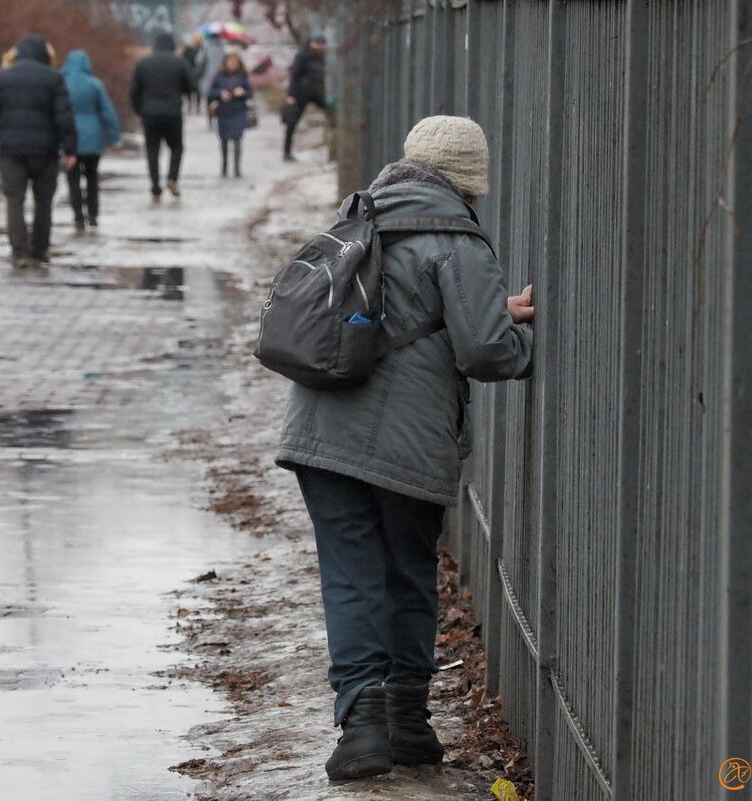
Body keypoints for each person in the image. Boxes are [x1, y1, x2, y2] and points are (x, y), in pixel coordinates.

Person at [274, 116, 535, 781]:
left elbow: (398, 305)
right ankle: (409, 722)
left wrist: (481, 310)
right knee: (406, 570)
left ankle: (362, 725)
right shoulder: (458, 240)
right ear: (469, 181)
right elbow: (485, 349)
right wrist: (518, 334)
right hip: (407, 442)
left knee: (350, 573)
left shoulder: (355, 220)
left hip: (319, 429)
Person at [0, 35, 77, 268]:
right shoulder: (53, 78)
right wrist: (71, 149)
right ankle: (40, 250)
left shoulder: (1, 78)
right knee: (43, 201)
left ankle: (20, 251)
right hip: (45, 151)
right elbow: (64, 116)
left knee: (14, 200)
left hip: (11, 151)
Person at [130, 33, 196, 201]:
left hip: (149, 113)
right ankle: (172, 178)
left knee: (152, 150)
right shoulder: (179, 62)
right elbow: (191, 86)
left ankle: (154, 185)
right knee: (176, 147)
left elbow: (134, 91)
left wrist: (140, 110)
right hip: (172, 112)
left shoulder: (143, 64)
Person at [60, 49, 122, 232]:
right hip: (92, 138)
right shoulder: (95, 85)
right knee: (92, 178)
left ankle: (78, 217)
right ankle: (93, 215)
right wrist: (115, 136)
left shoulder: (61, 84)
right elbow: (106, 111)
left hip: (69, 138)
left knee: (73, 180)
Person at [283, 34, 332, 162]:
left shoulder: (321, 57)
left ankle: (335, 139)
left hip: (315, 93)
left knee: (331, 111)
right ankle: (286, 152)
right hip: (300, 94)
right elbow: (294, 76)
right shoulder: (303, 56)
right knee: (292, 123)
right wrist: (291, 95)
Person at [207, 51, 253, 178]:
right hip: (224, 111)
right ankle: (225, 165)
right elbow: (210, 92)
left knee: (238, 138)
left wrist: (242, 92)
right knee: (224, 139)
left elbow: (250, 92)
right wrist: (220, 93)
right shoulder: (219, 76)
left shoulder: (243, 76)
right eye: (230, 62)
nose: (232, 65)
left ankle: (237, 167)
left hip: (238, 110)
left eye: (234, 62)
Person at [181, 34, 206, 114]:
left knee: (198, 91)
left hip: (198, 74)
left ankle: (198, 107)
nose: (196, 43)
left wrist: (200, 72)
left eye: (198, 41)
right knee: (189, 91)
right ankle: (190, 105)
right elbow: (184, 60)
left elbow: (204, 62)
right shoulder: (188, 50)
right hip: (189, 73)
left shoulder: (202, 51)